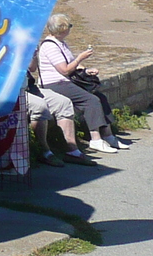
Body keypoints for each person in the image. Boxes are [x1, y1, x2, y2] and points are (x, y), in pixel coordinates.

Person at [37, 14, 129, 153]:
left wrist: (86, 70)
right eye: (69, 26)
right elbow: (64, 70)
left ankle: (108, 135)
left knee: (100, 97)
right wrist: (80, 57)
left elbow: (71, 64)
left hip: (65, 81)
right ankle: (95, 138)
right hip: (55, 83)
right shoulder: (50, 46)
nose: (70, 29)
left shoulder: (60, 43)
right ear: (62, 29)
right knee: (91, 100)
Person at [26, 60, 87, 165]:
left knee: (63, 103)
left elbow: (32, 68)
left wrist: (33, 53)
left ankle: (72, 150)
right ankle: (45, 151)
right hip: (12, 91)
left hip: (30, 88)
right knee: (39, 106)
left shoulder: (20, 46)